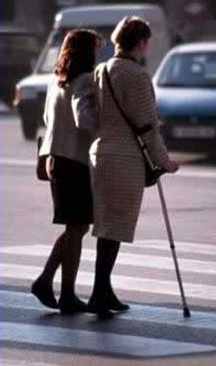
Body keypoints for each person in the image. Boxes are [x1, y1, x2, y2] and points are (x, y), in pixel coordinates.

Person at [87, 16, 179, 319]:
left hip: (100, 154)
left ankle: (103, 289)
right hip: (124, 157)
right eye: (147, 41)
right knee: (115, 226)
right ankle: (100, 292)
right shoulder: (136, 75)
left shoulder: (102, 69)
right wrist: (165, 161)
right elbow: (147, 126)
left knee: (107, 227)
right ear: (141, 42)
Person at [31, 29, 101, 314]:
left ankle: (47, 281)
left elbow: (48, 118)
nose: (99, 55)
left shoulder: (55, 80)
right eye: (96, 49)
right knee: (77, 227)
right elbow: (84, 119)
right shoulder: (84, 81)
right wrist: (104, 120)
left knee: (77, 227)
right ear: (88, 52)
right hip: (75, 161)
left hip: (54, 158)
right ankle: (65, 292)